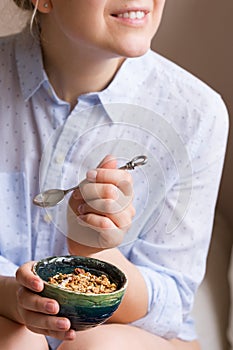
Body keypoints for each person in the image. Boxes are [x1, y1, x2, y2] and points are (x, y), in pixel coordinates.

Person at [0, 0, 229, 349]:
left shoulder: (196, 114)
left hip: (135, 335)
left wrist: (95, 253)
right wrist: (15, 298)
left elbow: (169, 305)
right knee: (18, 342)